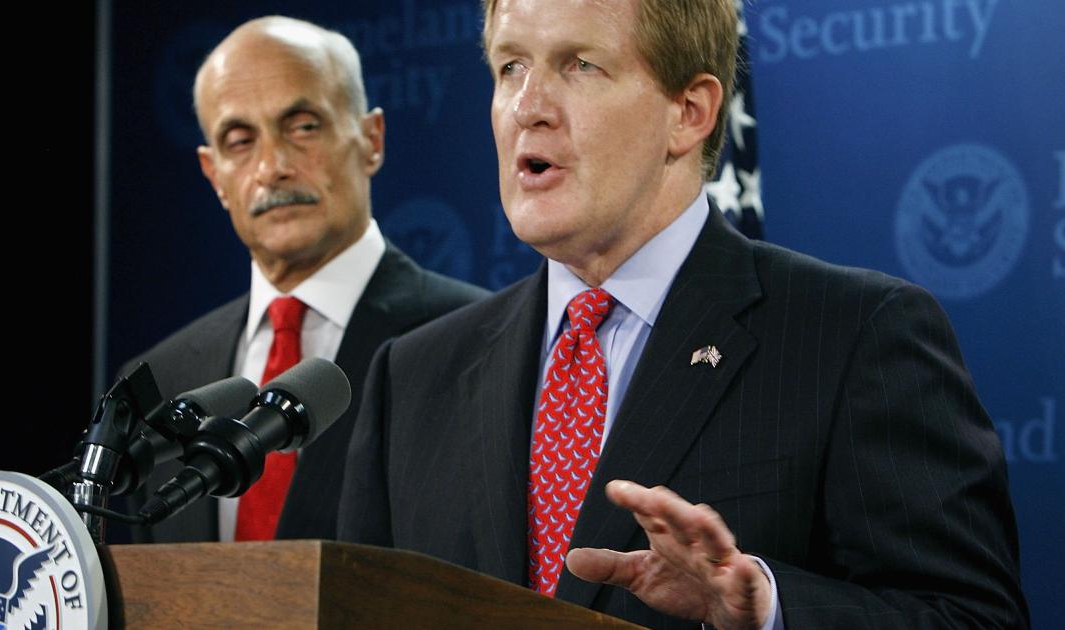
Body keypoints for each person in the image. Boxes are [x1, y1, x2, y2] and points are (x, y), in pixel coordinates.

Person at [336, 0, 1028, 628]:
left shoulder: (854, 336)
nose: (528, 107)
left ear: (689, 112)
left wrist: (768, 610)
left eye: (580, 65)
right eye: (510, 66)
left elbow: (973, 618)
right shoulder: (413, 376)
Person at [124, 16, 487, 544]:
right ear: (214, 174)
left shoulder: (475, 343)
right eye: (240, 140)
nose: (272, 166)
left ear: (371, 140)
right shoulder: (161, 380)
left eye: (303, 127)